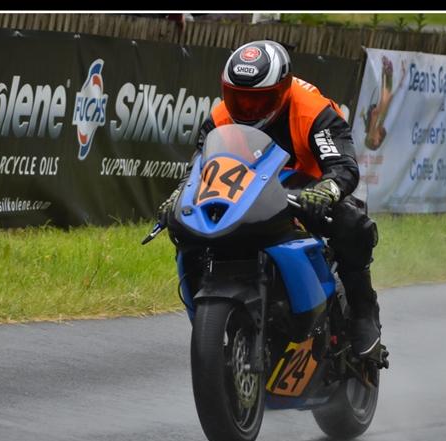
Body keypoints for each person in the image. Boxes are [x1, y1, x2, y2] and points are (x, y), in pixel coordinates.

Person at [158, 40, 383, 360]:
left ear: (284, 89)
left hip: (308, 188)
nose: (247, 109)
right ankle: (206, 303)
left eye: (259, 100)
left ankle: (363, 312)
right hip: (248, 189)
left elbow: (343, 166)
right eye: (239, 99)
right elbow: (198, 167)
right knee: (186, 226)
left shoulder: (312, 110)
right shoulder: (220, 116)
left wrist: (326, 191)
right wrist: (178, 195)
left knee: (352, 223)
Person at [361, 55, 407, 151]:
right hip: (384, 106)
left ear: (373, 138)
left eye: (377, 139)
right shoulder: (379, 124)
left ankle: (386, 70)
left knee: (386, 96)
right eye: (379, 140)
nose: (379, 138)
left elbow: (379, 108)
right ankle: (387, 71)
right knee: (387, 95)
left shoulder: (375, 124)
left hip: (381, 106)